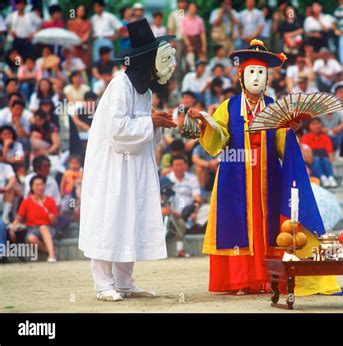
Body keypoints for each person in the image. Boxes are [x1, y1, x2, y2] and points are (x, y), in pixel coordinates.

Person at [188, 39, 340, 296]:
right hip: (235, 174)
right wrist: (205, 123)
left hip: (268, 175)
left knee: (266, 226)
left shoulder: (274, 107)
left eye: (261, 72)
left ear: (267, 77)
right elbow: (219, 139)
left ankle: (266, 277)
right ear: (240, 75)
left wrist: (290, 131)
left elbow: (281, 144)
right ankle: (241, 280)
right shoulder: (229, 106)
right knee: (239, 225)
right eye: (251, 72)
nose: (256, 77)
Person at [78, 19, 177, 302]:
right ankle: (103, 285)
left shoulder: (143, 91)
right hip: (113, 166)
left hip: (134, 166)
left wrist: (157, 124)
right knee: (109, 218)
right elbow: (117, 129)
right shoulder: (119, 86)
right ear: (145, 62)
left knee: (128, 219)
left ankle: (124, 282)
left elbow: (142, 128)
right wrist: (150, 121)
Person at [10, 175, 58, 262]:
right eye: (37, 185)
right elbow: (18, 218)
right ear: (32, 187)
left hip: (48, 228)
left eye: (42, 184)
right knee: (31, 238)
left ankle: (51, 255)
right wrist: (12, 228)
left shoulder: (50, 200)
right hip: (32, 228)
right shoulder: (26, 201)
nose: (40, 187)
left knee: (43, 228)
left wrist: (52, 218)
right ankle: (50, 251)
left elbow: (54, 222)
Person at [164, 154, 202, 258]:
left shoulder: (192, 178)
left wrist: (194, 211)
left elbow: (197, 198)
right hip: (171, 212)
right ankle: (179, 250)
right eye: (177, 165)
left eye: (182, 165)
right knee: (179, 222)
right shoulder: (167, 179)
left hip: (189, 211)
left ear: (185, 166)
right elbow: (162, 198)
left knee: (209, 210)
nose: (179, 167)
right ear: (172, 166)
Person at [301, 117, 338, 188]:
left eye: (318, 123)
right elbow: (306, 156)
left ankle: (330, 177)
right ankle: (323, 177)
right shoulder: (305, 138)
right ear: (309, 126)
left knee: (326, 160)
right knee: (317, 159)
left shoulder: (325, 137)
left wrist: (331, 160)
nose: (316, 126)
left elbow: (330, 153)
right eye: (314, 124)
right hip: (312, 163)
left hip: (325, 161)